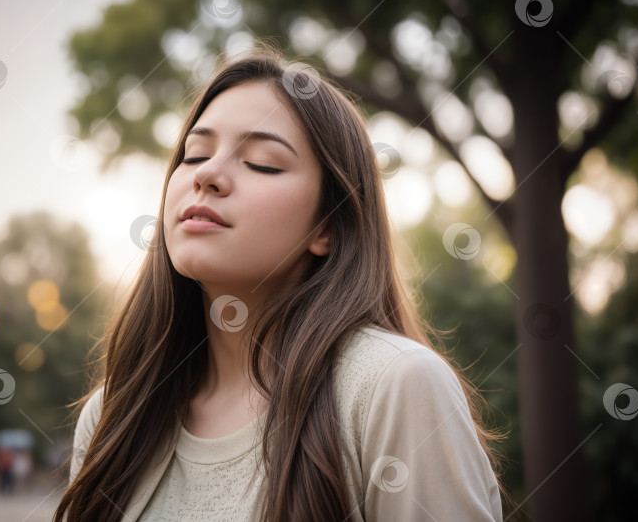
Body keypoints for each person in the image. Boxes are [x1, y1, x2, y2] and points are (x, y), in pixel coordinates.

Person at [55, 43, 505, 522]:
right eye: (194, 154)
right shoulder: (113, 414)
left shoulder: (395, 387)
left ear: (327, 226)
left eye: (263, 163)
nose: (207, 174)